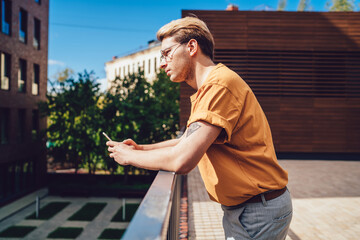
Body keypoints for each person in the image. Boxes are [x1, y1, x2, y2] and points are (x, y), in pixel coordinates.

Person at [106, 16, 292, 240]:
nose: (162, 63)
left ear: (192, 46)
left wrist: (128, 157)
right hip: (248, 208)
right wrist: (141, 148)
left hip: (258, 211)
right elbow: (188, 139)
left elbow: (182, 159)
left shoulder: (219, 86)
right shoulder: (210, 88)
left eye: (166, 53)